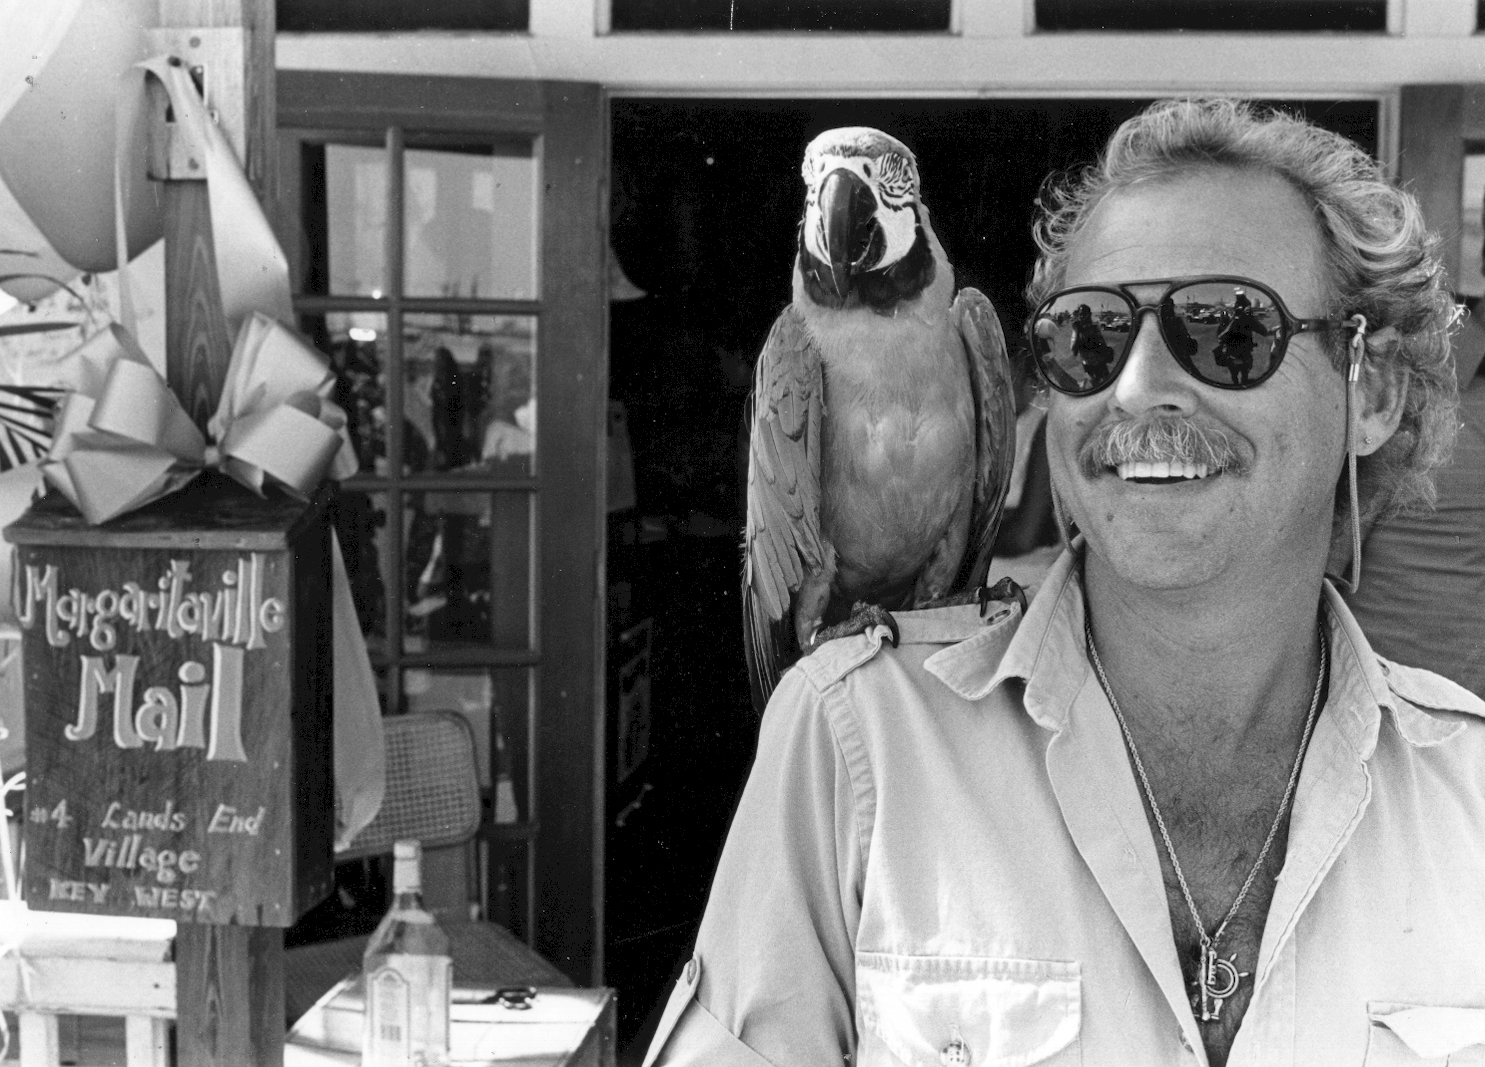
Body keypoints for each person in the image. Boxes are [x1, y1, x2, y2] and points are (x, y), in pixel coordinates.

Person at [643, 98, 1484, 1067]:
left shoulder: (1469, 795)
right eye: (1089, 335)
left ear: (1369, 390)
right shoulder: (855, 739)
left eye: (1226, 327)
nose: (1136, 387)